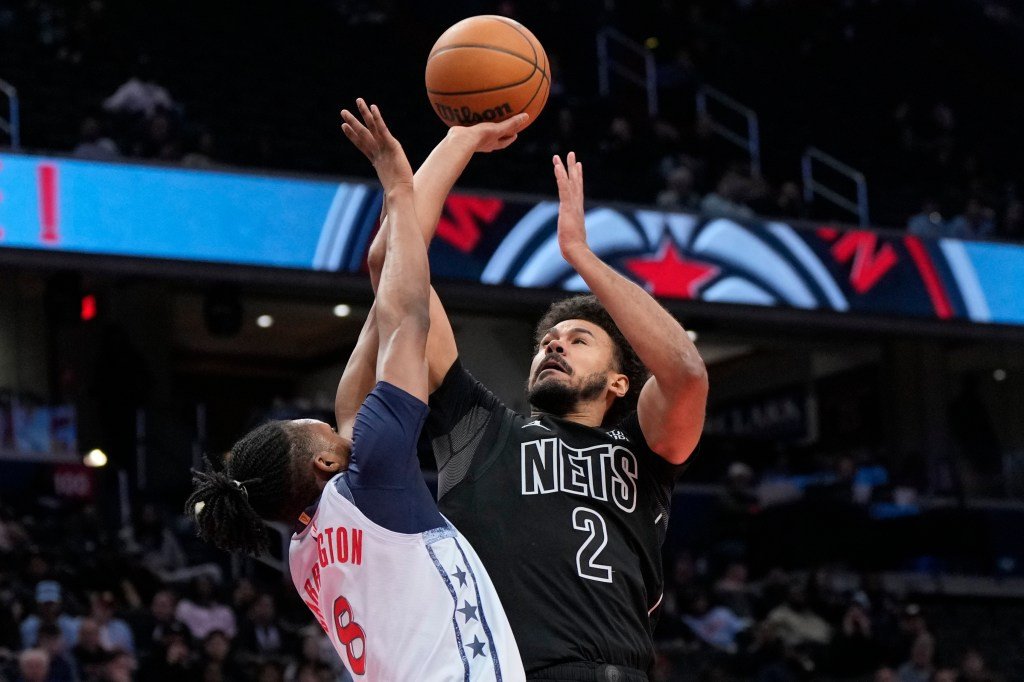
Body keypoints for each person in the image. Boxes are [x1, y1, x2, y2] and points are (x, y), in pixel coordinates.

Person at [185, 99, 528, 681]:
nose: (327, 419)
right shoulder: (374, 482)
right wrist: (395, 180)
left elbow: (384, 283)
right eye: (313, 425)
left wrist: (458, 144)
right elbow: (408, 314)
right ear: (323, 459)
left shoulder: (305, 552)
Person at [418, 149, 708, 680]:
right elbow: (396, 267)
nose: (555, 346)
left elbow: (686, 373)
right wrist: (464, 134)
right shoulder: (481, 428)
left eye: (579, 339)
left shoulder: (644, 454)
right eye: (548, 341)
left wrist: (581, 256)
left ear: (621, 381)